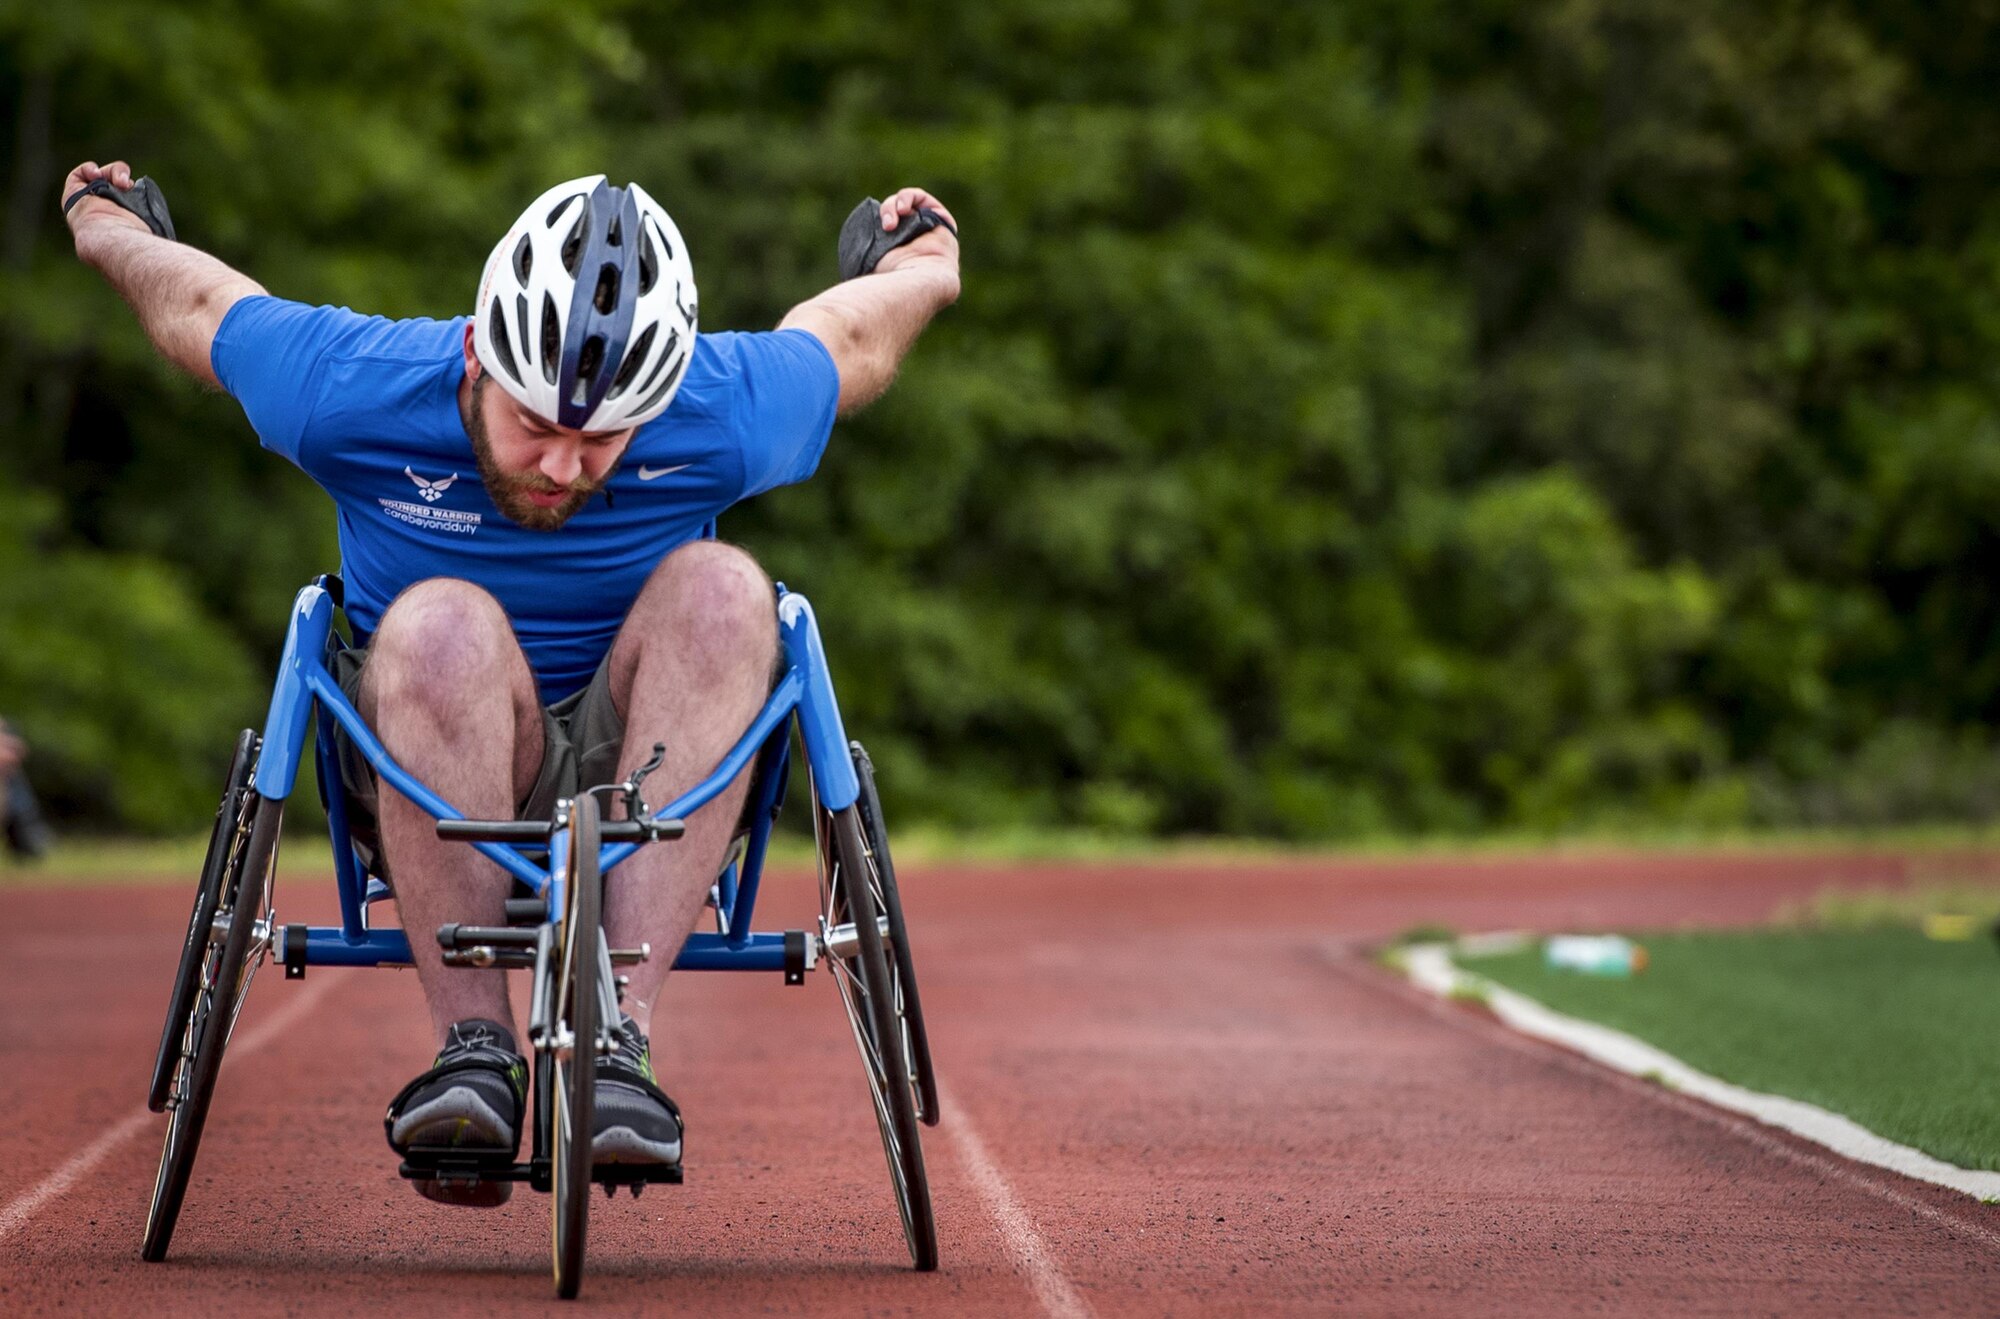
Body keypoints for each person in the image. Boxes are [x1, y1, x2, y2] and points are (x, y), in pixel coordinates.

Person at [63, 160, 959, 1205]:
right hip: (423, 747)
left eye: (604, 439)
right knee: (444, 616)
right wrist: (104, 225)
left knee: (727, 588)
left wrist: (927, 261)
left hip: (647, 758)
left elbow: (848, 334)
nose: (565, 467)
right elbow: (203, 307)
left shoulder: (719, 410)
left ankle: (619, 1044)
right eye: (537, 426)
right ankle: (473, 1051)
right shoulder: (353, 388)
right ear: (483, 351)